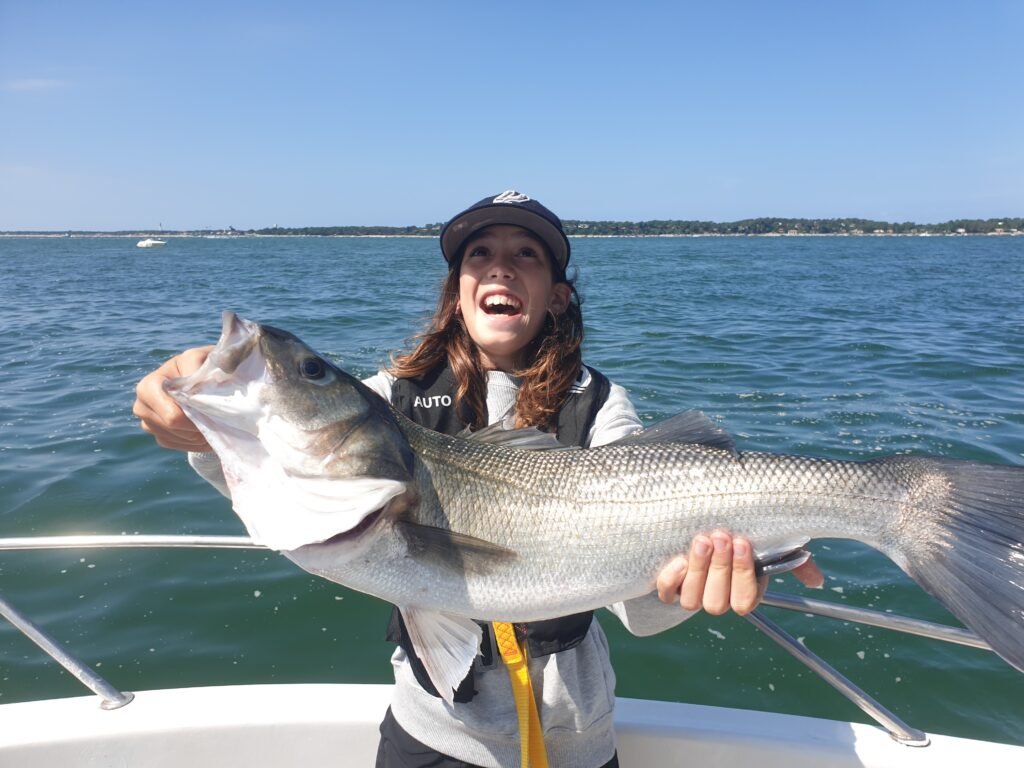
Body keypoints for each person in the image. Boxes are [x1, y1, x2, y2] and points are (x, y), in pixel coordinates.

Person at [134, 190, 823, 768]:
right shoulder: (387, 402)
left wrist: (698, 582)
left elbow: (639, 608)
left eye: (527, 255)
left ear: (556, 297)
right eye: (480, 255)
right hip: (427, 738)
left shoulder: (601, 405)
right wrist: (198, 427)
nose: (501, 268)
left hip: (575, 744)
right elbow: (292, 473)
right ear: (457, 293)